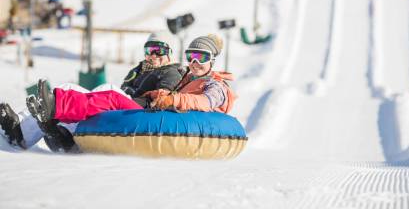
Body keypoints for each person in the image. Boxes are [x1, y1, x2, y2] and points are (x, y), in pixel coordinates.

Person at [0, 31, 184, 152]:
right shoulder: (139, 69)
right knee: (67, 88)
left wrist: (145, 101)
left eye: (157, 50)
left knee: (108, 89)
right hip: (124, 109)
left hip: (141, 113)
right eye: (149, 50)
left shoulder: (171, 72)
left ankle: (57, 120)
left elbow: (162, 98)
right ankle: (21, 131)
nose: (152, 55)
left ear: (170, 52)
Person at [27, 34, 236, 128]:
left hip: (168, 121)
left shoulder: (215, 86)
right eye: (191, 56)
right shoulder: (187, 78)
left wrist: (173, 100)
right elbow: (167, 96)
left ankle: (56, 108)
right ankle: (52, 110)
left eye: (202, 58)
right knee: (106, 97)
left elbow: (203, 103)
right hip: (161, 116)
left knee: (111, 97)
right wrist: (157, 96)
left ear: (213, 61)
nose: (195, 62)